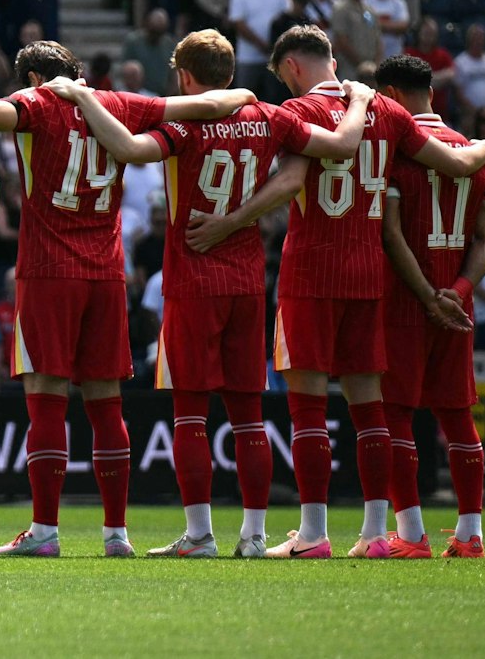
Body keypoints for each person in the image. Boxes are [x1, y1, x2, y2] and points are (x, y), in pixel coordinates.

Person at [0, 36, 254, 556]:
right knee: (106, 405)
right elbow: (212, 103)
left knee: (47, 402)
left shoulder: (38, 103)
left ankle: (46, 532)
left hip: (50, 272)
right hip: (106, 274)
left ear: (32, 78)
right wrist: (246, 94)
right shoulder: (115, 103)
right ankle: (116, 534)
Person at [54, 30, 375, 556]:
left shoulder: (186, 124)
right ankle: (253, 536)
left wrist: (85, 97)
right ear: (230, 74)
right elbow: (341, 144)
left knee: (190, 414)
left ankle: (200, 534)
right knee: (249, 414)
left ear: (184, 77)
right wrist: (359, 99)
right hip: (249, 281)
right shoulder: (270, 118)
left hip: (193, 279)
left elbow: (130, 149)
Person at [185, 26, 485, 558]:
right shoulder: (389, 113)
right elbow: (459, 164)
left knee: (307, 408)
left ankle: (312, 534)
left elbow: (286, 185)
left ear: (294, 67)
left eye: (284, 77)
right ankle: (375, 533)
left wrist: (228, 223)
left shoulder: (297, 112)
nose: (285, 86)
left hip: (311, 272)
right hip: (368, 276)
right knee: (369, 408)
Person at [374, 54, 485, 558]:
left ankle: (410, 535)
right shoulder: (470, 149)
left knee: (396, 413)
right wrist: (459, 292)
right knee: (457, 416)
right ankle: (471, 536)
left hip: (409, 300)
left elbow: (391, 233)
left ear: (396, 96)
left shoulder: (399, 153)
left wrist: (428, 297)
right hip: (457, 304)